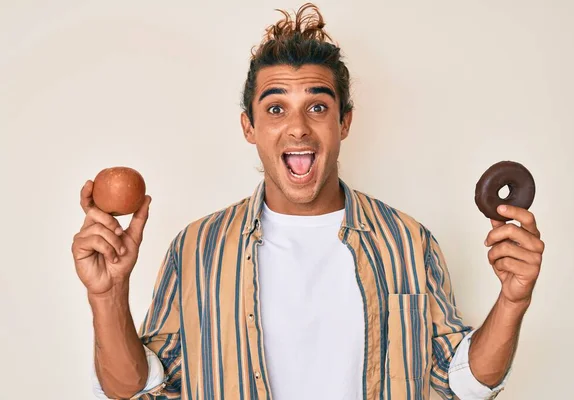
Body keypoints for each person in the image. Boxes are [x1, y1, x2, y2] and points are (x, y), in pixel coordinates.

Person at [71, 3, 544, 399]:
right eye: (275, 108)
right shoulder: (196, 250)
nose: (297, 127)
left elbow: (459, 383)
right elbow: (135, 390)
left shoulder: (408, 242)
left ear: (344, 123)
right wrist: (107, 295)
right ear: (249, 128)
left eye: (317, 106)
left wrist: (512, 300)